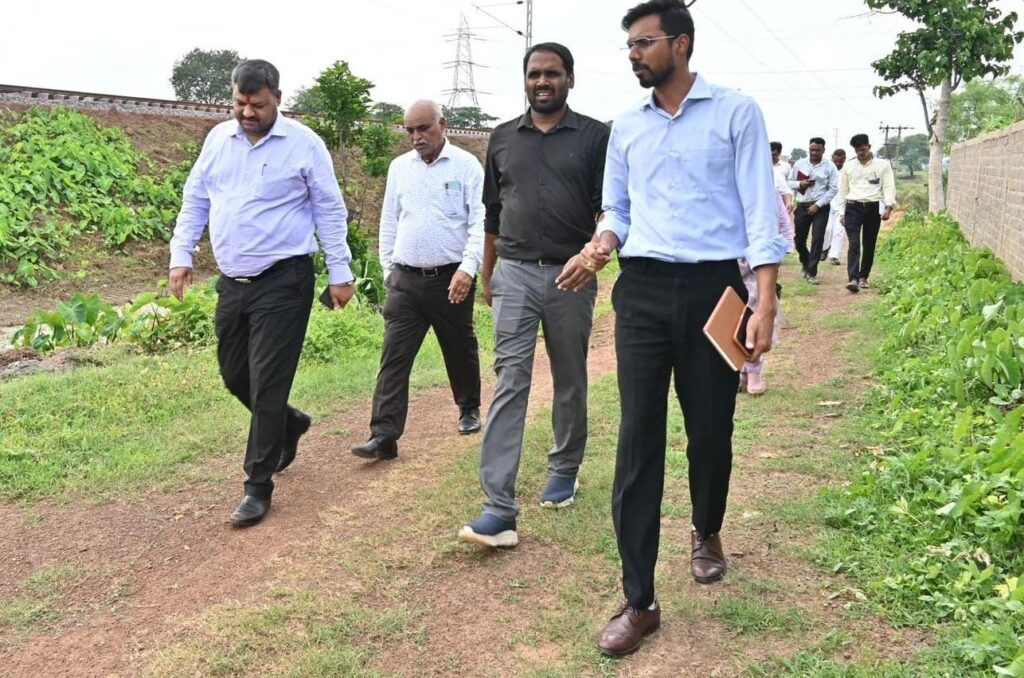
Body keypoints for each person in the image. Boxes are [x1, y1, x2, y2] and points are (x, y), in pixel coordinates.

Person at [582, 0, 787, 656]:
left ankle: (706, 527)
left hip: (713, 292)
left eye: (644, 42)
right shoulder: (626, 127)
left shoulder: (735, 113)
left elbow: (759, 209)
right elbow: (616, 207)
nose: (634, 55)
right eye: (629, 46)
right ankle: (639, 600)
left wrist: (764, 299)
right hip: (641, 290)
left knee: (711, 430)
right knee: (638, 439)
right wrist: (600, 245)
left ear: (681, 43)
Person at [169, 59, 355, 527]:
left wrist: (340, 272)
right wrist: (181, 254)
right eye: (240, 103)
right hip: (233, 282)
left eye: (258, 105)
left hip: (284, 279)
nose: (248, 113)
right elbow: (196, 198)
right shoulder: (218, 140)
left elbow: (329, 210)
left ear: (278, 99)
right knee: (236, 376)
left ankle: (257, 485)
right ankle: (290, 424)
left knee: (269, 383)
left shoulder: (304, 144)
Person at [457, 42, 610, 549]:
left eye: (552, 73)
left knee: (569, 375)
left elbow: (610, 208)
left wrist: (592, 257)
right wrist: (488, 274)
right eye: (534, 74)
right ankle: (498, 506)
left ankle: (564, 468)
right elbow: (493, 214)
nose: (542, 81)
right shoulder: (502, 138)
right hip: (515, 274)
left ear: (570, 79)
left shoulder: (595, 136)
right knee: (510, 380)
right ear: (524, 80)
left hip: (571, 275)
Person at [350, 101, 484, 461]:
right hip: (405, 280)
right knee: (394, 356)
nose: (416, 136)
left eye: (423, 128)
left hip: (451, 279)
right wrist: (388, 269)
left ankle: (469, 407)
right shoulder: (400, 168)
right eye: (409, 130)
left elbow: (479, 221)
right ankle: (384, 435)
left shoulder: (466, 166)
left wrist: (468, 268)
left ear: (443, 124)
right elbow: (389, 220)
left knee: (458, 346)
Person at [837, 133, 896, 293]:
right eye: (857, 150)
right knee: (854, 243)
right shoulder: (848, 166)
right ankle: (853, 279)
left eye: (863, 149)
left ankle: (863, 276)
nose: (860, 153)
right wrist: (842, 212)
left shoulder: (883, 165)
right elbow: (843, 190)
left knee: (869, 244)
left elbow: (888, 186)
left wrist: (888, 207)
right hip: (852, 207)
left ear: (869, 147)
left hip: (873, 207)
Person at [787, 137, 839, 285]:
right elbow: (789, 182)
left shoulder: (830, 166)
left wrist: (818, 204)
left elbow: (833, 189)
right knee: (799, 240)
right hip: (803, 205)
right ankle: (806, 261)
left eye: (817, 150)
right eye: (812, 150)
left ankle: (811, 272)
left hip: (820, 207)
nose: (814, 152)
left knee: (818, 238)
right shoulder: (800, 163)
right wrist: (800, 184)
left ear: (823, 150)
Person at [824, 149, 847, 264]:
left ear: (844, 159)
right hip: (826, 204)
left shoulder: (847, 171)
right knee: (827, 229)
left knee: (839, 231)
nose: (838, 164)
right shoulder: (826, 169)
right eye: (836, 161)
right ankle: (825, 248)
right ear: (832, 158)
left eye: (840, 162)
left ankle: (834, 256)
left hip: (842, 205)